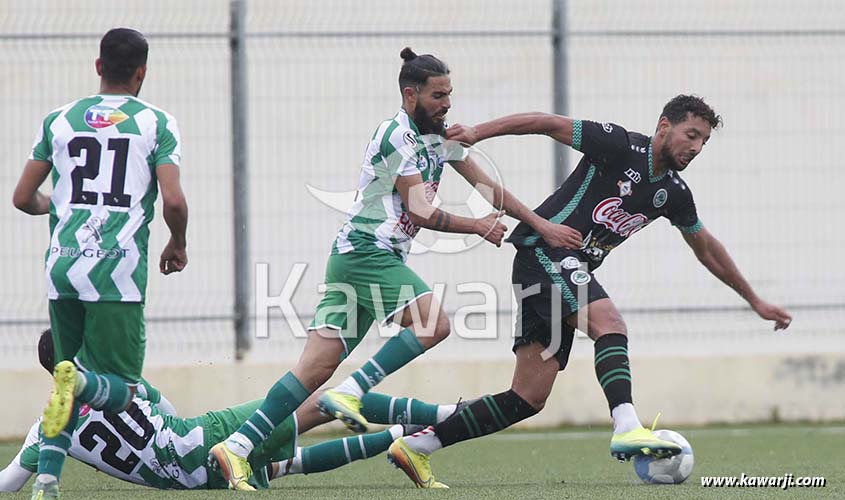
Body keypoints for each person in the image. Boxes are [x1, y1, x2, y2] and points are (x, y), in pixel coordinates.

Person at [209, 47, 581, 490]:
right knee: (433, 322)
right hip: (367, 253)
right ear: (410, 95)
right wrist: (477, 226)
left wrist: (541, 224)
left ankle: (235, 447)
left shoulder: (438, 136)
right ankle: (351, 392)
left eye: (450, 95)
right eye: (438, 96)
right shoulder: (398, 137)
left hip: (358, 260)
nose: (447, 105)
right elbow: (420, 211)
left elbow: (488, 187)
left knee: (312, 371)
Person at [387, 95, 793, 487]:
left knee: (527, 398)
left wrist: (755, 300)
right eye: (691, 134)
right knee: (609, 322)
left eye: (704, 140)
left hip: (558, 271)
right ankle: (627, 425)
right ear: (664, 127)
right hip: (543, 253)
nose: (697, 146)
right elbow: (545, 122)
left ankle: (418, 445)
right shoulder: (619, 145)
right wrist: (478, 132)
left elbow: (705, 247)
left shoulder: (674, 192)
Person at [12, 27, 188, 500]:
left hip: (62, 266)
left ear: (97, 67)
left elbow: (22, 198)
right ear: (141, 73)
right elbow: (173, 200)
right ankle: (81, 379)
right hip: (117, 271)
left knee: (66, 380)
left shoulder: (59, 120)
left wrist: (65, 208)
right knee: (122, 388)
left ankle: (46, 484)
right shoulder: (157, 123)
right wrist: (178, 242)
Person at [0, 331, 468, 492]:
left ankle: (399, 440)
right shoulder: (115, 381)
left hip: (190, 481)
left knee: (293, 462)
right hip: (200, 438)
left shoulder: (45, 430)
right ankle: (447, 414)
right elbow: (167, 409)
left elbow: (9, 483)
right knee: (318, 401)